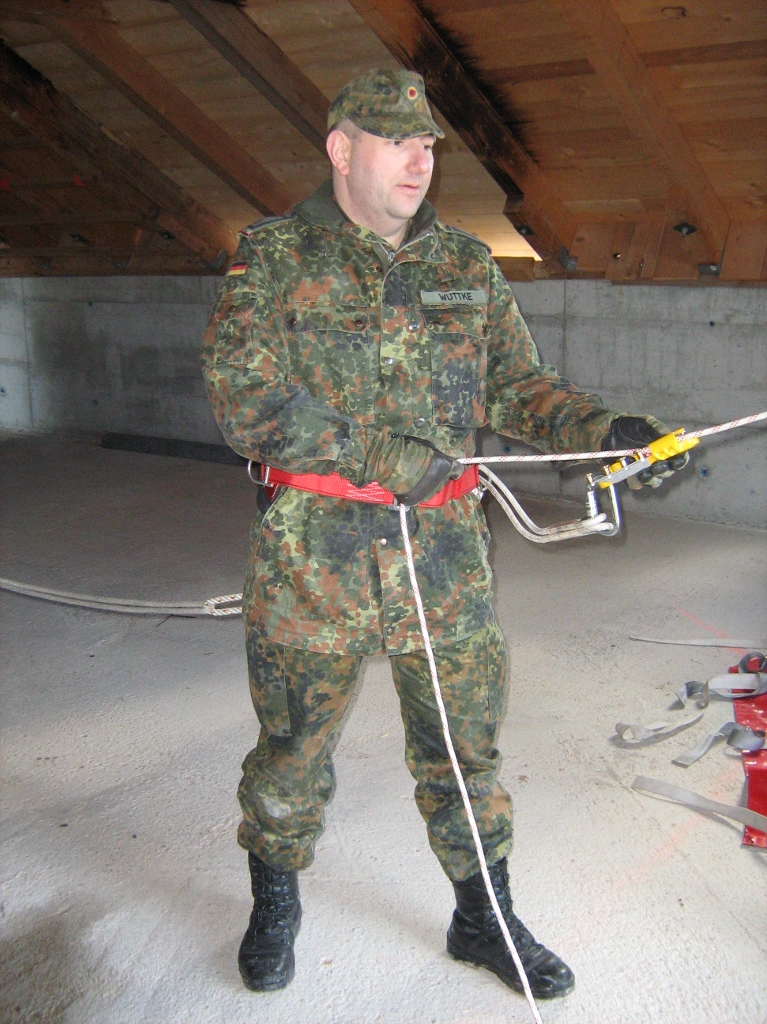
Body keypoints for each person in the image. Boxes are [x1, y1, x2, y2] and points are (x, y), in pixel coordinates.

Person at [201, 68, 687, 1000]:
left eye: (427, 145)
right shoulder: (273, 256)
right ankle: (274, 902)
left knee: (465, 752)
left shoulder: (465, 265)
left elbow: (519, 389)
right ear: (342, 149)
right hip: (313, 562)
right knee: (292, 749)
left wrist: (610, 433)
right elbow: (245, 397)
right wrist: (382, 456)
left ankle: (482, 916)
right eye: (397, 142)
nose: (419, 161)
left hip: (444, 561)